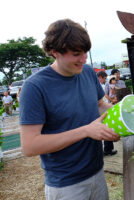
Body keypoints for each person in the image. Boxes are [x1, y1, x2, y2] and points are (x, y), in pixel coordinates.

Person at [19, 19, 120, 200]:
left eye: (85, 53)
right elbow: (30, 146)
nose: (83, 59)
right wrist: (86, 131)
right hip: (66, 184)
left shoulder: (88, 72)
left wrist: (119, 113)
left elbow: (99, 105)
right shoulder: (34, 87)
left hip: (97, 171)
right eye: (76, 54)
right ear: (55, 52)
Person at [96, 71, 117, 156]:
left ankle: (107, 149)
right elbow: (101, 101)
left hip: (102, 109)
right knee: (106, 128)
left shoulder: (101, 85)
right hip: (100, 112)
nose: (105, 80)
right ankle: (107, 149)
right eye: (104, 78)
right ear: (100, 77)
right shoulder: (98, 85)